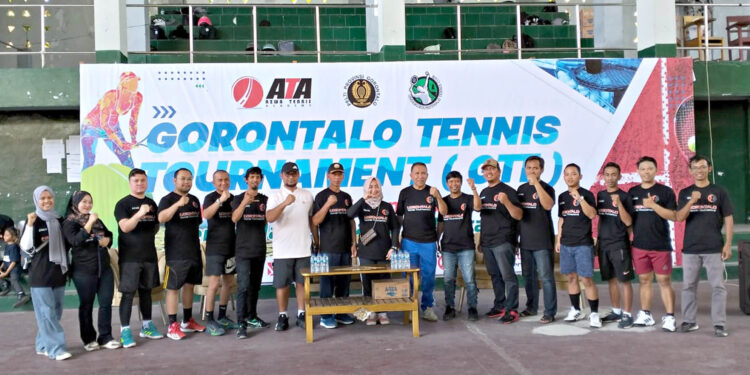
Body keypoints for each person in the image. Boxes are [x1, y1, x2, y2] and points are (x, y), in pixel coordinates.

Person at [675, 155, 734, 337]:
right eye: (695, 167)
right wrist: (692, 201)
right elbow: (680, 217)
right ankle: (689, 321)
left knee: (718, 286)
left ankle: (719, 324)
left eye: (702, 167)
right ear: (690, 171)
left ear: (709, 169)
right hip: (691, 248)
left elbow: (729, 218)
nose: (699, 170)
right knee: (688, 286)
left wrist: (728, 244)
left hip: (714, 247)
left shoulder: (720, 191)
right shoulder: (685, 193)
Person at [62, 191, 120, 351]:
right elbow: (76, 240)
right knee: (86, 305)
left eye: (90, 202)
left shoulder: (96, 220)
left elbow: (108, 234)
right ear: (75, 203)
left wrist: (107, 240)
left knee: (106, 303)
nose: (87, 205)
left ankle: (106, 337)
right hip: (83, 271)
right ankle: (88, 339)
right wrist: (89, 223)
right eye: (84, 202)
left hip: (104, 269)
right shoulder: (69, 222)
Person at [20, 186, 71, 360]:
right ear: (36, 200)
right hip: (40, 274)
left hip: (58, 272)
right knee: (47, 313)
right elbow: (26, 246)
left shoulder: (59, 219)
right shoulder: (33, 220)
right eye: (42, 198)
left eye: (49, 197)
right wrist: (30, 225)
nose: (46, 201)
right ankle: (56, 349)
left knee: (55, 312)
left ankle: (42, 344)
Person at [114, 168, 163, 347]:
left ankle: (147, 325)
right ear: (130, 183)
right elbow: (126, 227)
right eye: (136, 181)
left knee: (146, 292)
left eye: (143, 180)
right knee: (127, 294)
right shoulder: (123, 204)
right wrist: (140, 214)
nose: (140, 183)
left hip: (149, 255)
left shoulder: (152, 203)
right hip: (130, 258)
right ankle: (125, 331)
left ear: (146, 182)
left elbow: (156, 226)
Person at [628, 156, 678, 332]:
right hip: (639, 245)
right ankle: (646, 314)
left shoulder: (665, 192)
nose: (646, 171)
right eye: (643, 169)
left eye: (650, 168)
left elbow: (674, 216)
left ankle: (670, 317)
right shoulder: (632, 192)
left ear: (656, 170)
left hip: (660, 244)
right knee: (644, 280)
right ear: (638, 171)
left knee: (664, 280)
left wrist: (653, 205)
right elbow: (629, 220)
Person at [472, 158, 523, 324]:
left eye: (492, 169)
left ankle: (512, 309)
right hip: (487, 241)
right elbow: (483, 216)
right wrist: (481, 241)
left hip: (503, 240)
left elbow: (518, 215)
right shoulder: (484, 192)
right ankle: (500, 305)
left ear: (499, 171)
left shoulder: (508, 191)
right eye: (486, 170)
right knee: (495, 275)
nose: (489, 172)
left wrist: (506, 201)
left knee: (508, 276)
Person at [158, 168, 206, 340]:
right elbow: (162, 218)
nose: (186, 182)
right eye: (183, 178)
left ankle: (187, 321)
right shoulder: (167, 199)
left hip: (193, 251)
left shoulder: (194, 200)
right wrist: (177, 204)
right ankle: (172, 325)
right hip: (176, 254)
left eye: (189, 179)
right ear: (175, 180)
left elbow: (197, 222)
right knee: (173, 288)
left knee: (190, 286)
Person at [266, 162, 314, 331]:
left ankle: (302, 313)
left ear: (298, 175)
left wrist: (316, 240)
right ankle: (282, 315)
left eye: (294, 174)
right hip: (282, 250)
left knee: (302, 283)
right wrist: (284, 203)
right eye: (288, 174)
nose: (291, 177)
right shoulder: (276, 196)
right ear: (281, 176)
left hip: (303, 247)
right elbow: (270, 218)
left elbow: (311, 220)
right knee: (282, 285)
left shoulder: (307, 195)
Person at [396, 162, 447, 322]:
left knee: (429, 276)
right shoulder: (404, 193)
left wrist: (438, 196)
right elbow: (398, 217)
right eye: (416, 173)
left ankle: (427, 308)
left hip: (428, 242)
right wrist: (397, 239)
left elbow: (444, 213)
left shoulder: (432, 192)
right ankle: (411, 307)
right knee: (409, 277)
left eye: (423, 173)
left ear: (427, 175)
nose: (420, 176)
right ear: (411, 176)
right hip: (408, 241)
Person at [348, 176, 400, 325]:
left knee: (383, 282)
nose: (373, 190)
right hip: (366, 252)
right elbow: (349, 214)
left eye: (376, 186)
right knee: (368, 283)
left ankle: (382, 312)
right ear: (366, 189)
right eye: (370, 187)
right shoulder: (362, 206)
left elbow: (395, 227)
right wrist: (363, 198)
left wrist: (394, 246)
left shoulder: (386, 206)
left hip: (384, 252)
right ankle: (370, 313)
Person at [312, 162, 357, 329]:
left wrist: (354, 242)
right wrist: (327, 205)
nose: (337, 177)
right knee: (327, 283)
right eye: (334, 174)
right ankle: (326, 315)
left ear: (343, 176)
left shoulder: (346, 197)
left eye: (340, 174)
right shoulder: (322, 196)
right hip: (328, 249)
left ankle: (341, 312)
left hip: (345, 247)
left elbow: (351, 221)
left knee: (344, 283)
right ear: (328, 176)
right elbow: (315, 221)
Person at [556, 163, 600, 328]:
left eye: (573, 174)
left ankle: (594, 313)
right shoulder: (562, 197)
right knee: (571, 278)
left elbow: (592, 215)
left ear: (580, 176)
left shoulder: (587, 194)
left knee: (586, 279)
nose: (570, 177)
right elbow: (562, 219)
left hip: (583, 243)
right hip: (566, 244)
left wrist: (579, 199)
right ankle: (576, 309)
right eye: (567, 174)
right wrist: (558, 240)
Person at [516, 156, 557, 324]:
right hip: (525, 241)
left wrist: (537, 185)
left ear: (541, 170)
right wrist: (516, 240)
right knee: (529, 276)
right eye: (529, 168)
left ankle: (549, 311)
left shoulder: (547, 188)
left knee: (546, 277)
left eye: (535, 168)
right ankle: (531, 307)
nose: (531, 171)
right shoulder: (520, 189)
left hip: (543, 241)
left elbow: (547, 205)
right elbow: (518, 216)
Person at [231, 167, 271, 339]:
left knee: (255, 286)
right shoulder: (238, 198)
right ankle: (241, 323)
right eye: (252, 177)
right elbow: (234, 218)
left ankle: (252, 316)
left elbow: (268, 220)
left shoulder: (265, 199)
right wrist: (244, 203)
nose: (255, 180)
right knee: (244, 286)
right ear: (246, 180)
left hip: (259, 248)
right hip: (242, 250)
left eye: (257, 177)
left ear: (260, 180)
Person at [596, 162, 636, 329]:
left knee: (624, 281)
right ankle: (616, 311)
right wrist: (597, 240)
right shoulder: (600, 195)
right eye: (607, 174)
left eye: (614, 174)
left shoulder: (625, 197)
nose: (610, 178)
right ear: (603, 177)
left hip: (619, 244)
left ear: (619, 176)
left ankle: (627, 315)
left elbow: (628, 222)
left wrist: (618, 203)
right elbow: (600, 220)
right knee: (611, 280)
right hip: (604, 244)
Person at [438, 171, 479, 321]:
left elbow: (478, 207)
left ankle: (472, 307)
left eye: (457, 182)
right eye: (451, 182)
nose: (454, 184)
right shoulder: (442, 200)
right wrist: (437, 239)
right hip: (448, 247)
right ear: (447, 184)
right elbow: (441, 223)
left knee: (469, 279)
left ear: (460, 183)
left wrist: (474, 189)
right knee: (448, 279)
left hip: (466, 246)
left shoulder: (468, 198)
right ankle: (450, 307)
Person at [81, 71, 143, 170]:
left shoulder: (138, 97)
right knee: (89, 161)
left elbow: (133, 120)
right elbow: (104, 124)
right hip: (91, 126)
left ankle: (131, 183)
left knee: (127, 159)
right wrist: (120, 143)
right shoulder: (110, 96)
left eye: (136, 82)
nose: (135, 85)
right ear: (124, 85)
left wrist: (133, 140)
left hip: (112, 125)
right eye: (131, 82)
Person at [202, 170, 237, 336]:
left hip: (231, 247)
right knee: (214, 283)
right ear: (214, 182)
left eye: (226, 180)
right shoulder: (210, 197)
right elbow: (206, 214)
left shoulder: (234, 198)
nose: (223, 183)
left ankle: (222, 316)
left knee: (228, 282)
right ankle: (209, 319)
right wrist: (220, 200)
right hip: (215, 248)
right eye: (219, 180)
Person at [1, 227, 31, 308]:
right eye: (4, 235)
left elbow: (13, 262)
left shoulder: (14, 246)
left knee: (14, 279)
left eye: (7, 235)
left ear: (13, 237)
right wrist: (1, 268)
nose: (4, 237)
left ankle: (22, 295)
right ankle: (7, 286)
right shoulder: (7, 246)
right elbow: (5, 259)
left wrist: (6, 273)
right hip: (7, 268)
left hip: (14, 269)